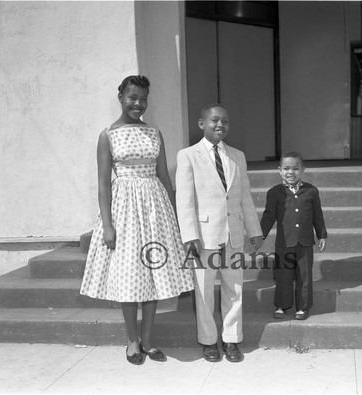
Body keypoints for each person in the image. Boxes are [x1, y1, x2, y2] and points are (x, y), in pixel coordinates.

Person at [80, 75, 194, 365]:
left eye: (143, 99)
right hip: (124, 211)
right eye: (132, 98)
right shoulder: (108, 135)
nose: (138, 104)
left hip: (155, 208)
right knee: (130, 275)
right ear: (120, 97)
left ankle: (148, 339)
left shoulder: (155, 133)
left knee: (153, 272)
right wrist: (107, 224)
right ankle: (132, 342)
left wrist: (176, 218)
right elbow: (104, 184)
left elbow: (164, 177)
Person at [175, 103, 263, 363]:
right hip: (204, 237)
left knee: (234, 288)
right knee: (204, 292)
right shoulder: (188, 155)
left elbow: (244, 197)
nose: (220, 125)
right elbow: (185, 200)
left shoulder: (238, 156)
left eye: (225, 121)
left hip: (233, 234)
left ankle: (231, 340)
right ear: (202, 124)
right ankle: (209, 341)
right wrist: (189, 235)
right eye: (214, 120)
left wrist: (253, 229)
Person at [260, 151, 327, 321]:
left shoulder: (311, 191)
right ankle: (282, 305)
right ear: (279, 170)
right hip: (284, 243)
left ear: (303, 169)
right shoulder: (274, 192)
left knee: (304, 275)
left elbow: (317, 215)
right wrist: (259, 235)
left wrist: (322, 235)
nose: (291, 172)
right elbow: (269, 216)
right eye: (286, 168)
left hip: (305, 242)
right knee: (283, 275)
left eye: (295, 168)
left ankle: (303, 307)